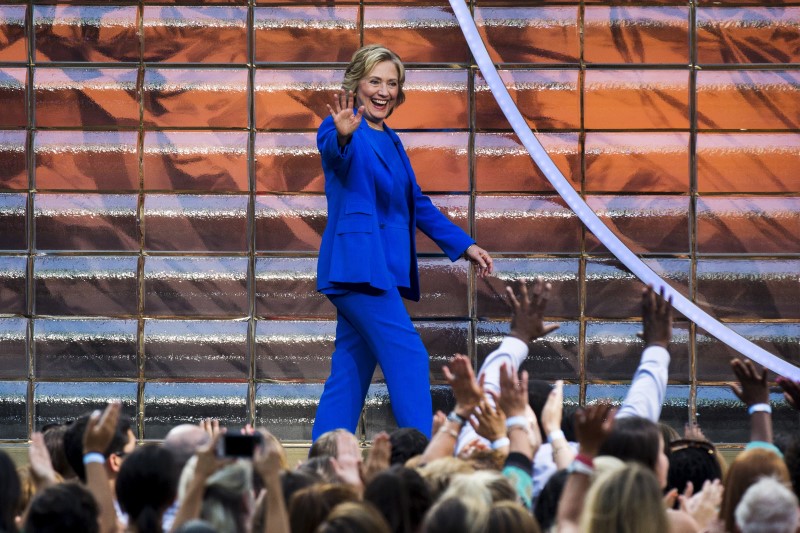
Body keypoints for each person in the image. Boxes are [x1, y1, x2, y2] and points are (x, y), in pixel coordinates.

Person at [314, 44, 493, 440]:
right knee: (409, 357)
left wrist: (465, 245)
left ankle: (321, 462)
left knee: (349, 372)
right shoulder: (341, 127)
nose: (383, 91)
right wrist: (342, 137)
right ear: (356, 83)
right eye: (375, 80)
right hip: (357, 268)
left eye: (392, 83)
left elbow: (417, 204)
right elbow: (333, 151)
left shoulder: (392, 140)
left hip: (382, 271)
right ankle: (423, 457)